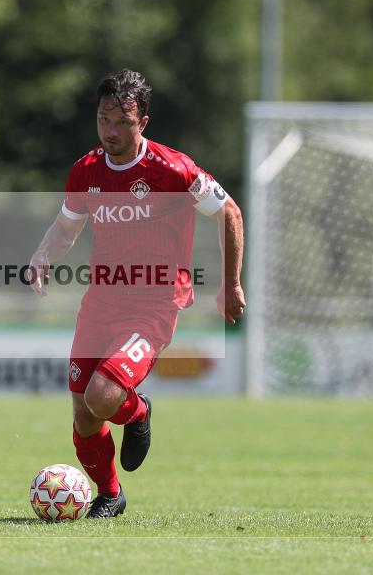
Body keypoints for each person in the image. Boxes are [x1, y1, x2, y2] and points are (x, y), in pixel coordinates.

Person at [29, 69, 246, 518]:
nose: (111, 131)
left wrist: (231, 282)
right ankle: (110, 495)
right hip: (101, 302)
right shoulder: (86, 171)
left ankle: (138, 412)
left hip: (154, 304)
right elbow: (68, 227)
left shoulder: (173, 169)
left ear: (142, 122)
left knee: (104, 396)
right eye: (104, 119)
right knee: (84, 413)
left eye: (122, 122)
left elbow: (229, 212)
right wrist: (43, 253)